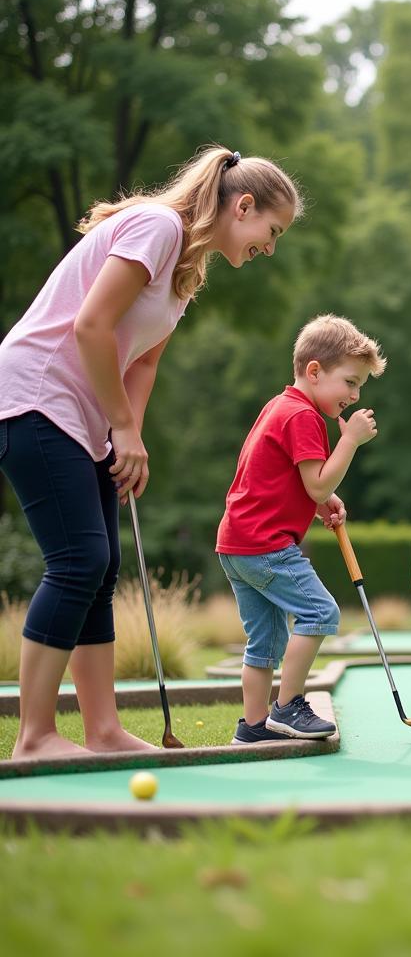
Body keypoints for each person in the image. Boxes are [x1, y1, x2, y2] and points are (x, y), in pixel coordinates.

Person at [0, 146, 301, 760]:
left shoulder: (185, 274)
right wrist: (121, 428)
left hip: (82, 421)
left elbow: (142, 363)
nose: (270, 248)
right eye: (271, 232)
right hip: (32, 398)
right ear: (242, 206)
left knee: (102, 565)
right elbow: (90, 325)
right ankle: (35, 736)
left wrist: (127, 438)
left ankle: (104, 730)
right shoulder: (158, 228)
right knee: (78, 560)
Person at [216, 314, 386, 743]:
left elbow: (282, 481)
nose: (355, 393)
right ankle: (288, 707)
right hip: (266, 546)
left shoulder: (279, 406)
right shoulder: (305, 417)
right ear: (315, 371)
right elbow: (316, 482)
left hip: (237, 544)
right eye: (350, 382)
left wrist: (318, 504)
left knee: (264, 643)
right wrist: (350, 442)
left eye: (359, 385)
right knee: (320, 612)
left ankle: (253, 728)